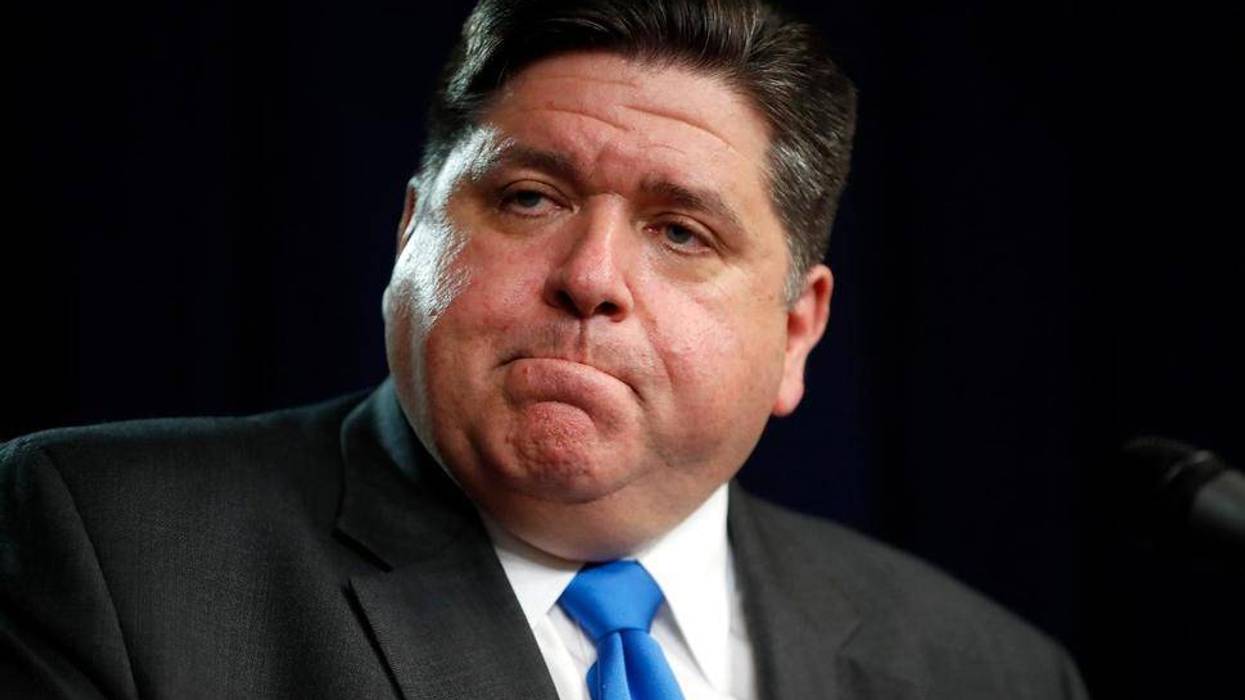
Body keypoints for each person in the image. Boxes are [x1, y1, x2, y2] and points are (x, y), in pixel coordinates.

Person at [1, 0, 1089, 698]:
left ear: (797, 329)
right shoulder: (103, 547)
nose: (591, 275)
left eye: (681, 232)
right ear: (411, 235)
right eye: (528, 197)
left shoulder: (990, 672)